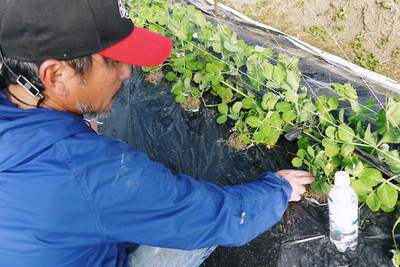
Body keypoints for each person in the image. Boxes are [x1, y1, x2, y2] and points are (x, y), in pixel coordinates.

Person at [0, 0, 315, 266]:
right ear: (56, 75)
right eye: (112, 61)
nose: (127, 71)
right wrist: (278, 190)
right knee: (190, 236)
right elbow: (217, 217)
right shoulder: (92, 172)